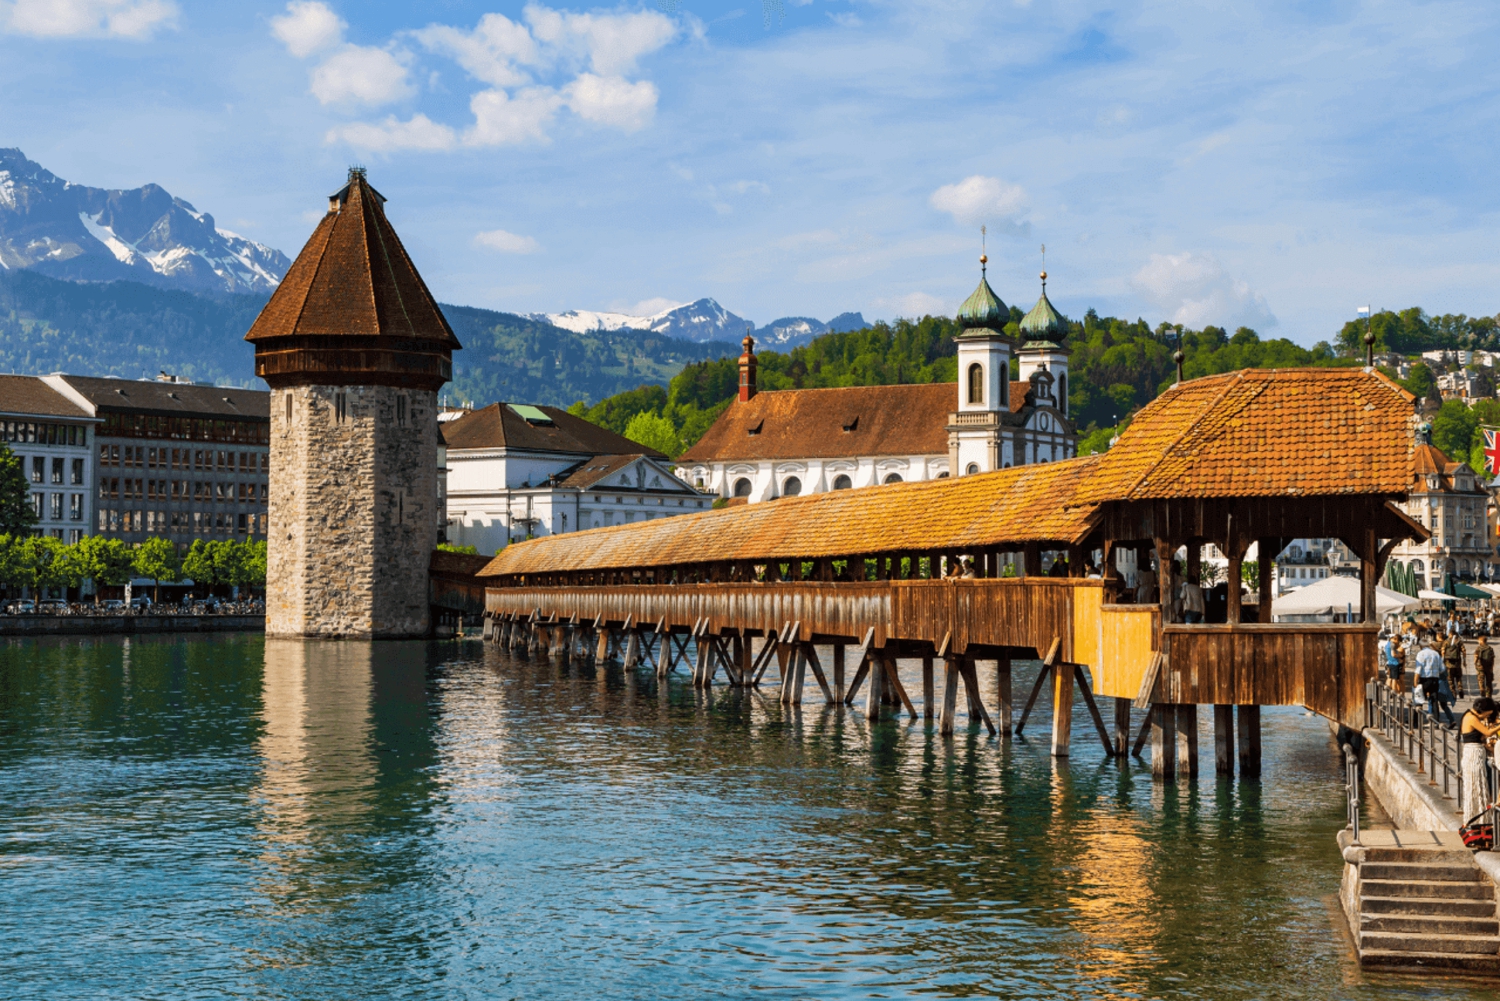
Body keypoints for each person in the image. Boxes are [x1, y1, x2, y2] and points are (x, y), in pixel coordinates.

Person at [1460, 698, 1500, 825]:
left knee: (1479, 785)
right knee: (1476, 785)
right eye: (1487, 714)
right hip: (1473, 754)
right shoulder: (1471, 718)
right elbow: (1487, 732)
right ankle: (1477, 820)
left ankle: (1480, 820)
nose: (1486, 717)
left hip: (1475, 752)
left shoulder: (1470, 715)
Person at [1416, 641, 1455, 726]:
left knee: (1421, 699)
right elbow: (1443, 670)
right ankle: (1443, 720)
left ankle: (1417, 720)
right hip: (1438, 682)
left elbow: (1418, 669)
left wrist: (1415, 681)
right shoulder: (1437, 657)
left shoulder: (1422, 654)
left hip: (1428, 680)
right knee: (1438, 702)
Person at [1445, 631, 1468, 701]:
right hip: (1458, 664)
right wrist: (1464, 661)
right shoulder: (1459, 642)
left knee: (1450, 680)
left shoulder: (1446, 642)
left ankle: (1453, 693)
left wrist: (1443, 661)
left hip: (1449, 665)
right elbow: (1464, 651)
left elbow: (1443, 652)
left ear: (1451, 634)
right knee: (1458, 678)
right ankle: (1460, 689)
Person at [1478, 635, 1495, 700]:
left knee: (1481, 681)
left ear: (1481, 641)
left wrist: (1476, 665)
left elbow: (1476, 658)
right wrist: (1492, 668)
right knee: (1489, 682)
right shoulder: (1490, 648)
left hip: (1481, 667)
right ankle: (1489, 695)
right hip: (1489, 667)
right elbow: (1492, 658)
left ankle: (1482, 693)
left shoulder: (1479, 648)